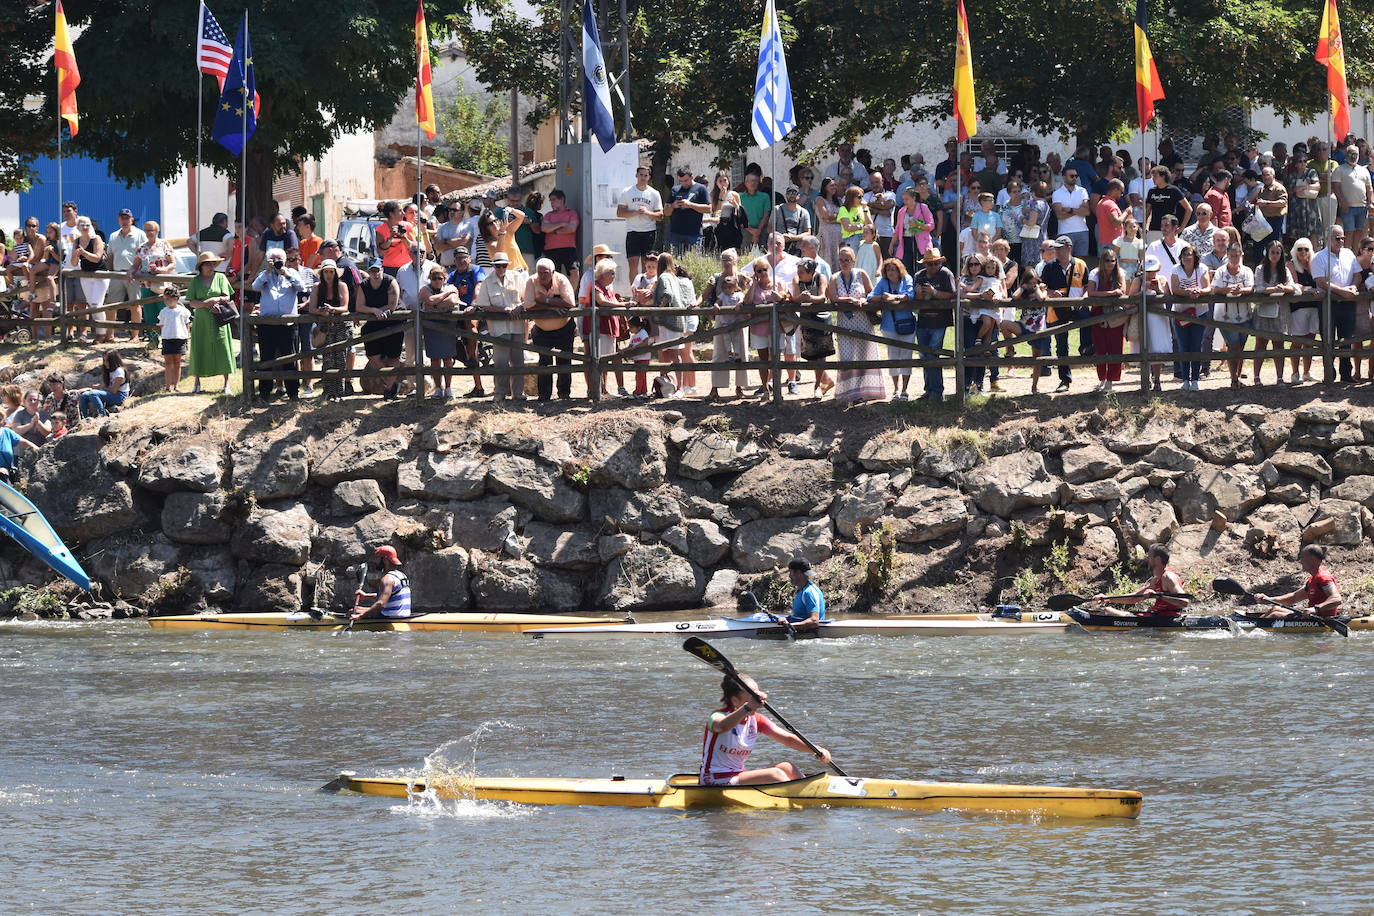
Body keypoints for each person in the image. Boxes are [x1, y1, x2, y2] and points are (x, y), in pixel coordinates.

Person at [699, 672, 831, 787]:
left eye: (757, 696)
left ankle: (809, 793)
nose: (756, 701)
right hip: (712, 779)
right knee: (776, 774)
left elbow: (789, 740)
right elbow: (721, 726)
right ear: (734, 700)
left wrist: (816, 749)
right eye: (751, 698)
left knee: (787, 767)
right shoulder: (717, 717)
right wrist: (747, 708)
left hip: (737, 775)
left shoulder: (756, 720)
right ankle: (797, 798)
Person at [827, 246, 884, 405]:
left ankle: (862, 391)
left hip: (863, 321)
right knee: (846, 357)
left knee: (864, 355)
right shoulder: (834, 277)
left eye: (847, 260)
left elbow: (871, 294)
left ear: (853, 261)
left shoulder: (861, 274)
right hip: (845, 322)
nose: (844, 263)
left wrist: (864, 300)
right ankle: (848, 392)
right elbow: (832, 297)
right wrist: (849, 301)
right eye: (841, 260)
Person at [250, 249, 306, 401]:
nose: (277, 262)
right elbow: (255, 287)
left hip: (288, 324)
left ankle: (293, 392)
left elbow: (303, 288)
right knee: (266, 358)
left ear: (285, 260)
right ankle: (265, 392)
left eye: (279, 259)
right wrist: (267, 272)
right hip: (267, 323)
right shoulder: (265, 275)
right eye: (274, 259)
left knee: (290, 358)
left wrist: (285, 273)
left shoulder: (292, 273)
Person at [523, 258, 577, 401]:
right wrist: (552, 306)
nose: (542, 276)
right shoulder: (531, 281)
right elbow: (528, 305)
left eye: (546, 273)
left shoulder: (562, 280)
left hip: (564, 328)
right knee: (544, 362)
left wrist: (544, 300)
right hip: (541, 329)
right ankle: (544, 394)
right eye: (539, 273)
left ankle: (564, 394)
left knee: (564, 361)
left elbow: (570, 303)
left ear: (553, 272)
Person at [476, 252, 527, 401]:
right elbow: (484, 305)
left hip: (517, 326)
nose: (501, 268)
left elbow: (527, 299)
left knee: (518, 361)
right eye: (498, 266)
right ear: (493, 266)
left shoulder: (517, 277)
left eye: (503, 265)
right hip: (498, 328)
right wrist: (502, 310)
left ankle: (518, 393)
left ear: (508, 265)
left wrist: (519, 307)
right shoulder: (487, 281)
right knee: (500, 362)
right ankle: (500, 392)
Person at [1092, 544, 1190, 619]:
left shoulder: (1168, 577)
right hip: (1155, 616)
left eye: (1149, 556)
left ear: (1157, 559)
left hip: (1164, 619)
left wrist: (1159, 596)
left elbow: (1184, 602)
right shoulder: (1155, 580)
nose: (1147, 558)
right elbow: (1133, 598)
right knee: (1107, 610)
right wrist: (1107, 598)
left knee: (1107, 611)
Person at [186, 252, 237, 395]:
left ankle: (227, 384)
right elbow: (191, 302)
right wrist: (204, 304)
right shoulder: (195, 281)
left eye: (213, 263)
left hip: (219, 317)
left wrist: (216, 300)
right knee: (200, 347)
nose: (211, 266)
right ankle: (197, 382)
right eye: (208, 263)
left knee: (223, 347)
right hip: (201, 319)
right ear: (201, 266)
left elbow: (227, 296)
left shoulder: (220, 277)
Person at [356, 258, 404, 398]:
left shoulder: (391, 282)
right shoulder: (364, 285)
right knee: (372, 355)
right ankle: (392, 383)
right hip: (375, 321)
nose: (375, 273)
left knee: (393, 356)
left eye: (377, 270)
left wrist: (377, 310)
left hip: (394, 321)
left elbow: (392, 305)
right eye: (372, 270)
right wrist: (374, 311)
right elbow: (359, 306)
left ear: (382, 269)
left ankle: (389, 389)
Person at [1252, 239, 1298, 385]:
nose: (1275, 255)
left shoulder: (1284, 270)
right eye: (1273, 252)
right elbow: (1258, 288)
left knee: (1279, 344)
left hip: (1280, 311)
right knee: (1261, 343)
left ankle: (1279, 377)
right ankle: (1257, 377)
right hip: (1263, 311)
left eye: (1278, 252)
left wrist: (1283, 288)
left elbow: (1293, 287)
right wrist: (1274, 289)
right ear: (1268, 252)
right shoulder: (1260, 269)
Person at [307, 260, 353, 403]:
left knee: (340, 358)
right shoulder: (317, 287)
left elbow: (345, 307)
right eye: (326, 272)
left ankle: (339, 392)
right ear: (322, 273)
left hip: (341, 325)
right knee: (327, 359)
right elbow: (311, 309)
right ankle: (328, 391)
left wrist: (332, 310)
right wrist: (321, 311)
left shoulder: (342, 285)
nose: (328, 275)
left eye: (331, 272)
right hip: (325, 326)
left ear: (335, 273)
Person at [1211, 243, 1255, 389]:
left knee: (1241, 346)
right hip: (1225, 316)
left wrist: (1241, 291)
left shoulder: (1247, 271)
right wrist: (1228, 289)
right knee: (1233, 346)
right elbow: (1215, 289)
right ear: (1227, 255)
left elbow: (1251, 287)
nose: (1234, 258)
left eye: (1237, 255)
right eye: (1231, 255)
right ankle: (1233, 378)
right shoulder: (1220, 272)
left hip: (1245, 315)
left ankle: (1238, 374)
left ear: (1241, 255)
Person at [1258, 545, 1341, 619]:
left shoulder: (1323, 577)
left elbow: (1337, 599)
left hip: (1322, 619)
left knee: (1274, 615)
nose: (1300, 561)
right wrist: (1268, 599)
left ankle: (1255, 628)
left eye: (1303, 558)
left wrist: (1315, 609)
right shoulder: (1312, 580)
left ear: (1312, 560)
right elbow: (1293, 597)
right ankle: (1254, 624)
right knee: (1275, 609)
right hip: (1312, 616)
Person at [1168, 245, 1210, 390]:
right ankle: (1185, 379)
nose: (1187, 257)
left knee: (1196, 346)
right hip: (1180, 313)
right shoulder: (1175, 269)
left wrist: (1199, 291)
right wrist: (1188, 292)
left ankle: (1195, 379)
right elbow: (1175, 289)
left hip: (1199, 313)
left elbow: (1207, 287)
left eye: (1190, 254)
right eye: (1184, 254)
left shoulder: (1202, 268)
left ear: (1195, 256)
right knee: (1183, 346)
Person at [417, 265, 462, 399]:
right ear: (430, 279)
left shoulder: (451, 287)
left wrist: (435, 304)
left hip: (447, 326)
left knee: (448, 358)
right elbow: (429, 299)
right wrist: (445, 296)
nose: (437, 281)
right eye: (434, 278)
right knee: (435, 359)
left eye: (440, 278)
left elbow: (453, 301)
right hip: (431, 327)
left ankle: (448, 388)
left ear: (444, 279)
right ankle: (438, 388)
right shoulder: (425, 289)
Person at [1085, 248, 1126, 392]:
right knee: (1100, 348)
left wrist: (1108, 295)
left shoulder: (1120, 273)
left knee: (1115, 348)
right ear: (1102, 261)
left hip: (1114, 315)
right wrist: (1110, 294)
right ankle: (1102, 378)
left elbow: (1122, 292)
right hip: (1097, 313)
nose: (1110, 263)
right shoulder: (1095, 273)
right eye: (1107, 260)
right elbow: (1091, 293)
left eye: (1113, 260)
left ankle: (1111, 380)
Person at [617, 165, 664, 278]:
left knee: (646, 264)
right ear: (636, 176)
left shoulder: (654, 193)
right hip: (632, 231)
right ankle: (634, 292)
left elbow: (660, 216)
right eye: (641, 175)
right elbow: (619, 213)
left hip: (648, 231)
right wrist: (635, 212)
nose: (643, 178)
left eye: (646, 175)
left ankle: (644, 291)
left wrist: (647, 212)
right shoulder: (627, 192)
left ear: (649, 177)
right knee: (632, 263)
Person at [350, 546, 412, 621]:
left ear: (385, 560)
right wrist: (366, 596)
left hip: (391, 616)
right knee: (358, 609)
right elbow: (388, 595)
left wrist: (360, 616)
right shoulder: (401, 575)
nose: (375, 562)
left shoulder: (387, 579)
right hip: (403, 615)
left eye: (378, 559)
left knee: (353, 611)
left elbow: (381, 603)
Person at [667, 166, 710, 253]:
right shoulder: (675, 190)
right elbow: (666, 213)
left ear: (692, 177)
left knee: (693, 262)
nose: (683, 183)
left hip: (694, 233)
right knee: (675, 263)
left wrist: (690, 205)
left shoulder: (701, 189)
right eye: (681, 181)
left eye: (686, 180)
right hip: (676, 233)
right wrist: (673, 206)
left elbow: (708, 209)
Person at [78, 350, 132, 418]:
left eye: (107, 361)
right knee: (84, 395)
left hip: (120, 396)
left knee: (93, 393)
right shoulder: (108, 370)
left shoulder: (119, 372)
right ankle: (84, 418)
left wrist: (100, 387)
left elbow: (114, 390)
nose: (105, 363)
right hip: (110, 394)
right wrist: (93, 388)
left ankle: (102, 415)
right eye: (104, 360)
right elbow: (107, 386)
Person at [157, 287, 192, 393]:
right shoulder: (163, 312)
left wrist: (186, 337)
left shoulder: (183, 311)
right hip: (167, 339)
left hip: (179, 339)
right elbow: (161, 325)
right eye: (166, 299)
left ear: (177, 299)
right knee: (168, 363)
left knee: (177, 363)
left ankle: (176, 385)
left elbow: (187, 325)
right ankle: (167, 386)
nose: (168, 301)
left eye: (170, 299)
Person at [785, 557, 829, 629]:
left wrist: (789, 626)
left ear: (798, 573)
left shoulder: (808, 592)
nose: (789, 576)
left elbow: (814, 621)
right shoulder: (801, 590)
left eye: (790, 572)